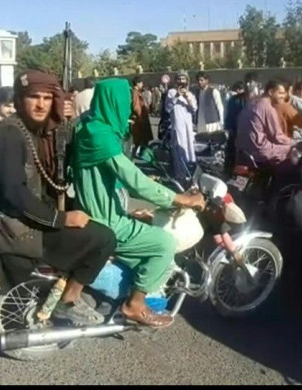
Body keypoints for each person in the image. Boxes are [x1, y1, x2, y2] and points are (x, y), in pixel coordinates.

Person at [0, 70, 117, 325]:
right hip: (18, 229)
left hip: (26, 219)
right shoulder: (9, 133)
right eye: (34, 97)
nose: (41, 104)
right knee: (105, 238)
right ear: (21, 99)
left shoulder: (28, 130)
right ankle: (68, 301)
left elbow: (54, 162)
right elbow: (14, 193)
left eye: (47, 97)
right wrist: (62, 219)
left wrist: (65, 124)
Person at [72, 78, 206, 328]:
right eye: (127, 101)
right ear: (115, 101)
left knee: (145, 234)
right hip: (105, 219)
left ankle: (121, 297)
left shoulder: (88, 127)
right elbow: (135, 182)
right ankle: (134, 305)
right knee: (165, 243)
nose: (131, 108)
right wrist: (180, 199)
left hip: (98, 209)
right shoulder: (100, 135)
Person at [236, 79, 295, 173]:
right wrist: (294, 143)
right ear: (271, 92)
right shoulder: (267, 108)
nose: (283, 96)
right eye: (280, 93)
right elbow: (277, 137)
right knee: (293, 149)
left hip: (243, 150)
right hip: (260, 151)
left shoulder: (251, 103)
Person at [165, 71, 197, 181]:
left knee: (188, 149)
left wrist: (188, 98)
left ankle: (190, 173)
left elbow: (194, 109)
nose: (181, 81)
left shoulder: (190, 94)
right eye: (179, 79)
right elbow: (167, 108)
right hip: (177, 126)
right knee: (178, 150)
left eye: (184, 79)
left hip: (188, 127)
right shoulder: (171, 92)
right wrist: (177, 96)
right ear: (176, 81)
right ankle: (180, 175)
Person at [224, 81, 247, 175]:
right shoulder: (236, 100)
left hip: (236, 134)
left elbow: (228, 118)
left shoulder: (233, 100)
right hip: (241, 134)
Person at [130, 76, 153, 158]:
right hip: (140, 119)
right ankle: (134, 156)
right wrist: (140, 117)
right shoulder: (135, 93)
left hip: (140, 118)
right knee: (139, 140)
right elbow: (136, 107)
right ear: (138, 83)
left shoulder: (136, 92)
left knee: (140, 140)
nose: (142, 84)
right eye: (141, 83)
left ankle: (136, 154)